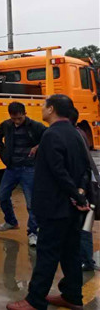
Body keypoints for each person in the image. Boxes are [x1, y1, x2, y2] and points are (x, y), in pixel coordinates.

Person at [7, 94, 91, 310]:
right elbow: (84, 169)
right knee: (70, 253)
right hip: (72, 208)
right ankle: (72, 296)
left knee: (47, 253)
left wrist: (76, 194)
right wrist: (79, 195)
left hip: (55, 207)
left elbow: (58, 171)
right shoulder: (76, 133)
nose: (42, 109)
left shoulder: (51, 135)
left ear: (51, 109)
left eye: (44, 106)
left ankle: (35, 300)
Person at [0, 102, 46, 247]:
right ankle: (10, 221)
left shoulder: (35, 126)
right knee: (3, 195)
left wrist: (37, 147)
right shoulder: (6, 125)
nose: (16, 122)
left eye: (19, 119)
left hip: (29, 168)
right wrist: (3, 154)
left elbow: (48, 137)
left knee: (31, 203)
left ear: (25, 114)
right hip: (11, 168)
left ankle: (33, 232)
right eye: (14, 119)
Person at [70, 108, 100, 272]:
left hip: (85, 188)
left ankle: (86, 261)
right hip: (87, 185)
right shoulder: (80, 133)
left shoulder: (75, 136)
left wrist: (81, 190)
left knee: (83, 226)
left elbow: (83, 166)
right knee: (83, 226)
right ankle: (85, 259)